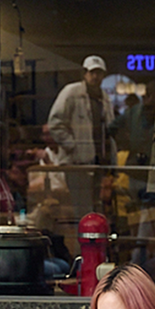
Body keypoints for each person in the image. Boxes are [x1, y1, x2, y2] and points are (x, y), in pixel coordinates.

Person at [47, 55, 117, 220]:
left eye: (99, 73)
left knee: (96, 207)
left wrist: (110, 158)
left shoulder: (104, 97)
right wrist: (73, 146)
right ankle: (84, 237)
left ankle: (94, 236)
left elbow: (109, 129)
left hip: (98, 163)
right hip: (77, 164)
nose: (95, 77)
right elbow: (55, 123)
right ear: (85, 73)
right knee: (82, 210)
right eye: (92, 73)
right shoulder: (71, 92)